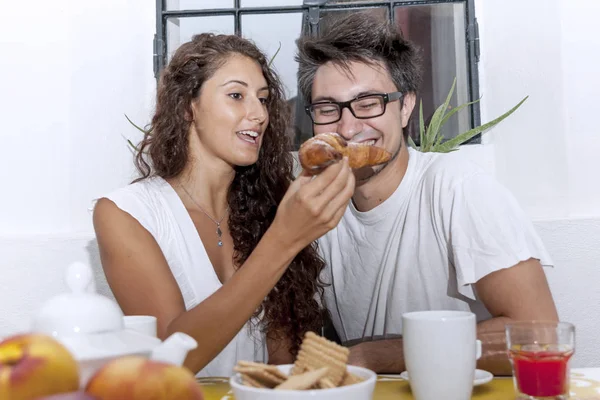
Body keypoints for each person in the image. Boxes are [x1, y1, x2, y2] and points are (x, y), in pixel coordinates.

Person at [295, 11, 558, 375]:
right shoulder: (314, 208)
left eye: (369, 103)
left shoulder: (457, 188)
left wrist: (375, 356)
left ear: (405, 107)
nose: (348, 126)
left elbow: (540, 335)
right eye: (328, 109)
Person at [93, 33, 355, 377]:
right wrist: (284, 239)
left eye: (263, 99)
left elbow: (283, 366)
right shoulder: (126, 214)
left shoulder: (269, 207)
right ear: (189, 106)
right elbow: (171, 360)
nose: (258, 113)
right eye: (236, 95)